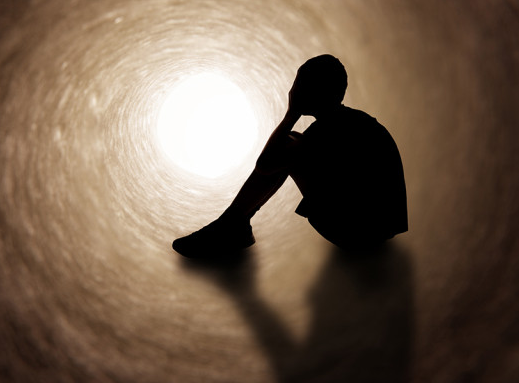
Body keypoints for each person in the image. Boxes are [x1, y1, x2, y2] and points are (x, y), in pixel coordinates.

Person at [173, 54, 407, 258]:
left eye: (298, 85)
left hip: (356, 235)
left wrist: (291, 113)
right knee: (292, 144)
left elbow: (265, 165)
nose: (293, 90)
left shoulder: (327, 131)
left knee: (286, 145)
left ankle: (231, 226)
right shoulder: (355, 121)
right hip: (378, 231)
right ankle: (234, 224)